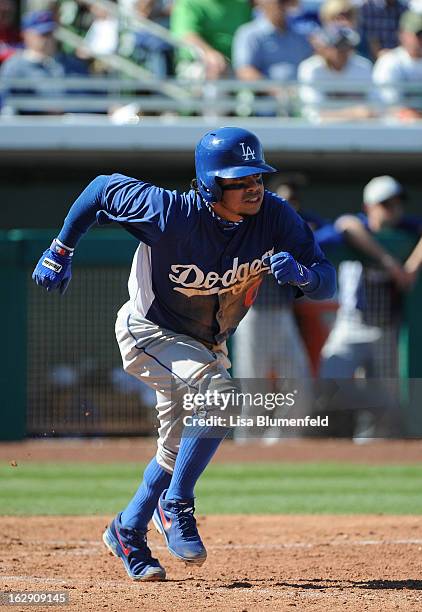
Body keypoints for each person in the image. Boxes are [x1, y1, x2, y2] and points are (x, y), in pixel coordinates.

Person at [32, 126, 336, 581]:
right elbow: (99, 189)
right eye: (241, 179)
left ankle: (127, 530)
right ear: (212, 184)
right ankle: (175, 505)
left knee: (176, 448)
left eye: (258, 177)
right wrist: (61, 248)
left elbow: (325, 277)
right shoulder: (169, 211)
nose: (254, 187)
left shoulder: (274, 216)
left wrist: (305, 278)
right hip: (148, 331)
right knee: (221, 396)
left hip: (206, 344)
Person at [316, 175, 422, 434]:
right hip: (352, 324)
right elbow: (345, 224)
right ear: (369, 207)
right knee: (326, 385)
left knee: (387, 403)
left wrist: (411, 267)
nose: (393, 209)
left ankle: (370, 451)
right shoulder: (358, 226)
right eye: (385, 204)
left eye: (397, 203)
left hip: (387, 327)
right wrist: (388, 261)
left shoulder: (406, 230)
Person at [232, 177, 326, 444]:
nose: (290, 204)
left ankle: (281, 443)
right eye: (285, 198)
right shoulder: (256, 223)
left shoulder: (298, 226)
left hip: (283, 315)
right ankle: (247, 443)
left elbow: (330, 232)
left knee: (299, 382)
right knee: (254, 387)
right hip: (252, 315)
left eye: (294, 200)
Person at [0, 9, 89, 114]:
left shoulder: (73, 64)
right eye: (42, 34)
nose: (47, 39)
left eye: (50, 33)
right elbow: (6, 105)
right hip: (31, 127)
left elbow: (90, 100)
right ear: (26, 35)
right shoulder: (14, 66)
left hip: (74, 126)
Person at [298, 25, 375, 122]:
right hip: (320, 133)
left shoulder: (363, 66)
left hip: (359, 130)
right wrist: (355, 113)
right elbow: (314, 115)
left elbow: (376, 106)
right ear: (324, 47)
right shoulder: (310, 68)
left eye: (347, 46)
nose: (343, 51)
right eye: (337, 46)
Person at [232, 0, 312, 82]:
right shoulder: (248, 34)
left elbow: (312, 63)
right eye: (279, 2)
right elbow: (244, 71)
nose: (283, 6)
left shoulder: (300, 35)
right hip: (266, 94)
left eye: (286, 1)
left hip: (300, 92)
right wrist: (274, 90)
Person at [170, 0, 252, 79]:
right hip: (197, 63)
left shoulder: (242, 4)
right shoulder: (188, 2)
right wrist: (209, 54)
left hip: (237, 65)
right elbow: (187, 35)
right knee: (214, 69)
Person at [372, 10, 422, 121]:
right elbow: (390, 106)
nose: (421, 40)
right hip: (397, 130)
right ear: (402, 34)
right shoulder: (390, 62)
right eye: (419, 34)